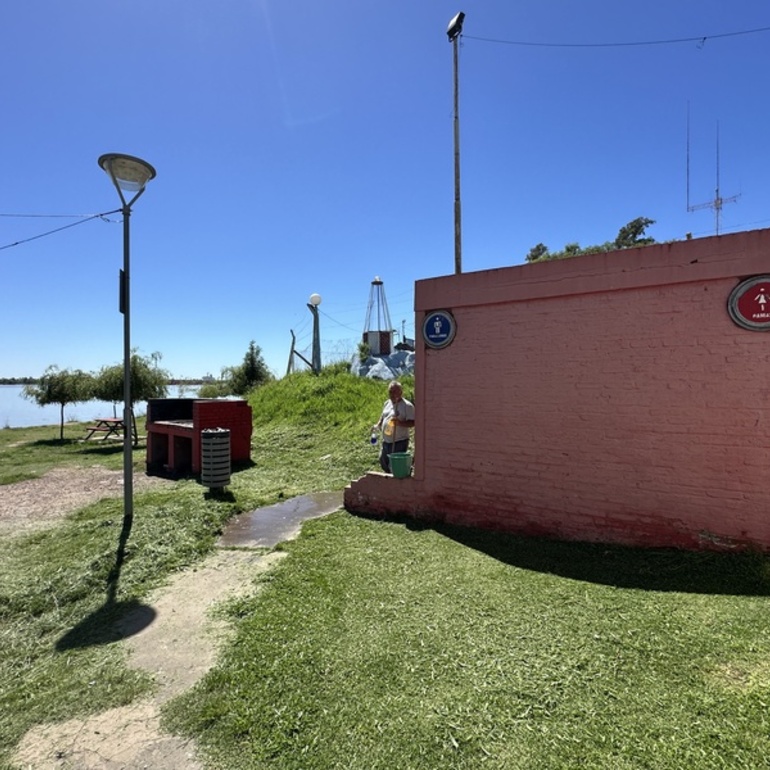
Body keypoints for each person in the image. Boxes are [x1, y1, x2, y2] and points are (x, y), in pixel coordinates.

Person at [373, 380, 415, 473]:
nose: (392, 394)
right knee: (383, 461)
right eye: (390, 392)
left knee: (395, 466)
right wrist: (378, 425)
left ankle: (398, 482)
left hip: (399, 441)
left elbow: (413, 423)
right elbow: (383, 416)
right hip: (386, 440)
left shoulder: (407, 406)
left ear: (400, 392)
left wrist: (400, 423)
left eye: (394, 392)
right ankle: (389, 480)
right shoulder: (387, 403)